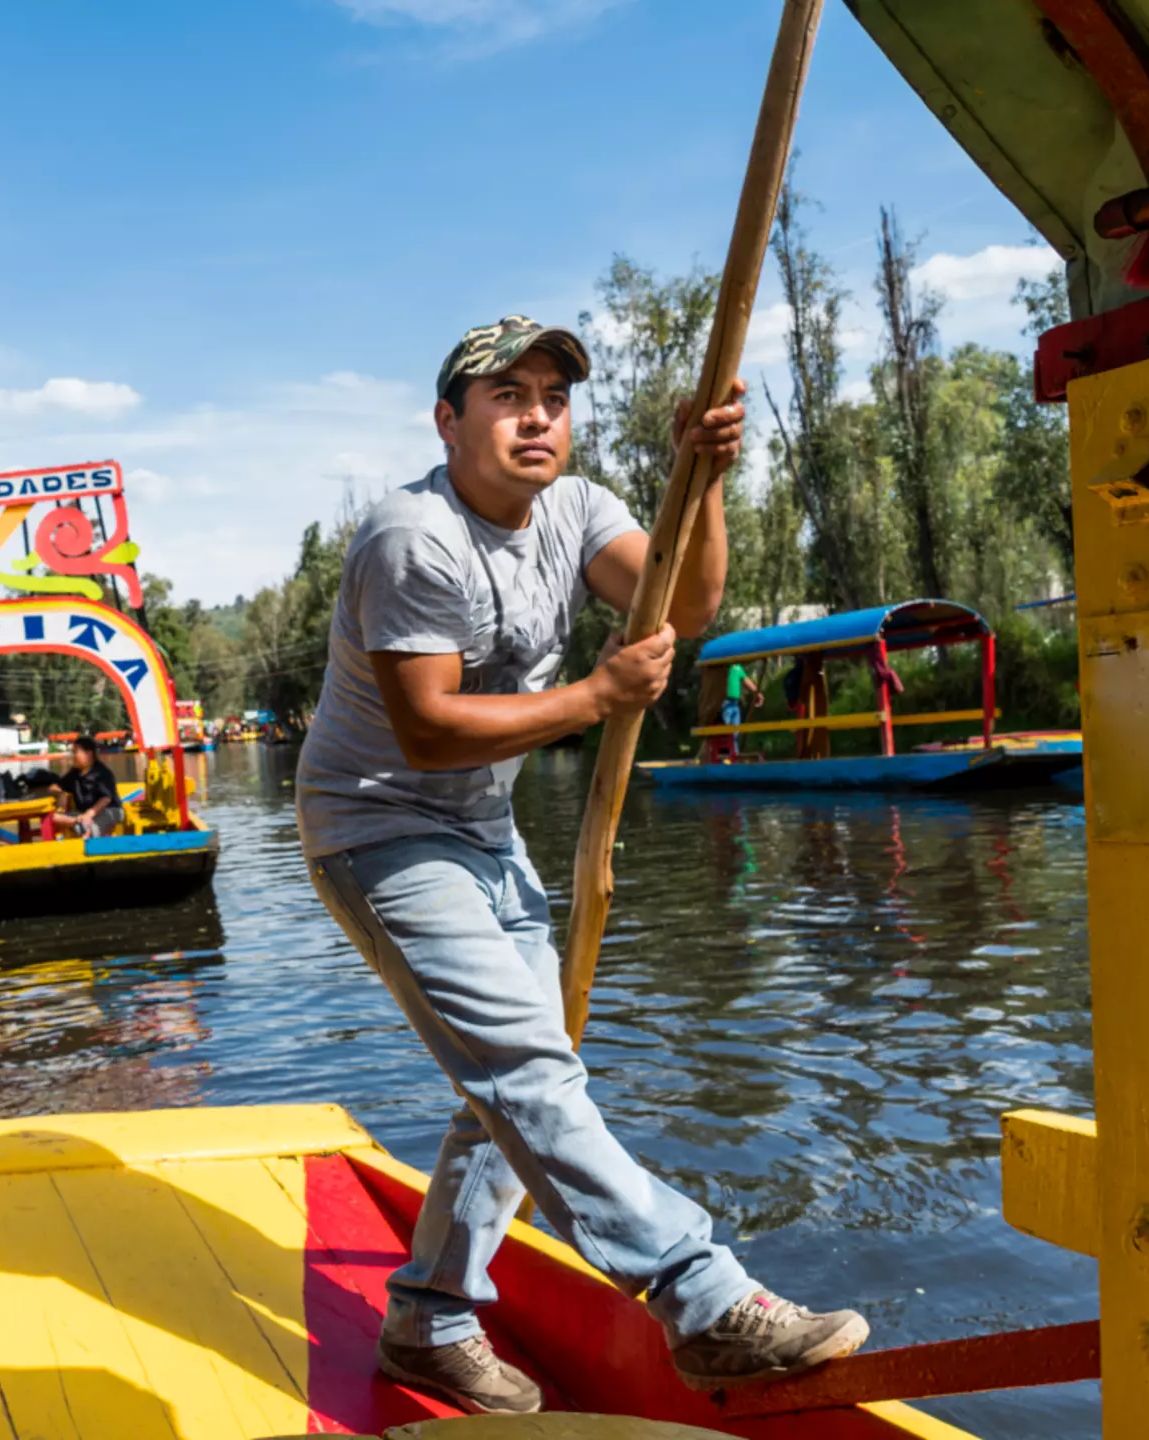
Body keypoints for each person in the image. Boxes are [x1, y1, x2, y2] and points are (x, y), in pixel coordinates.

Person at [296, 315, 867, 1414]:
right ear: (447, 420)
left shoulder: (576, 505)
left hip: (478, 828)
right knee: (526, 1071)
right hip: (377, 827)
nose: (535, 415)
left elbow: (683, 606)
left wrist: (696, 483)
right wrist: (597, 701)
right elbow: (425, 728)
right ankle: (702, 1302)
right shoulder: (410, 539)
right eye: (505, 394)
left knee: (513, 1083)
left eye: (552, 396)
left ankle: (424, 1316)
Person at [52, 735, 121, 837]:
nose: (73, 756)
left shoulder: (102, 773)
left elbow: (106, 799)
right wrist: (61, 793)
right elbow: (56, 786)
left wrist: (88, 814)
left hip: (108, 809)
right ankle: (77, 823)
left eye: (76, 752)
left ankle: (86, 835)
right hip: (81, 813)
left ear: (88, 754)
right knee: (52, 818)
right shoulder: (74, 773)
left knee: (89, 829)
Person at [720, 659, 764, 756]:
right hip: (725, 702)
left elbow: (746, 681)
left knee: (735, 731)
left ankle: (734, 754)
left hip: (735, 703)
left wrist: (758, 694)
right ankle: (725, 755)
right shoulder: (725, 667)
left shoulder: (738, 667)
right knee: (725, 731)